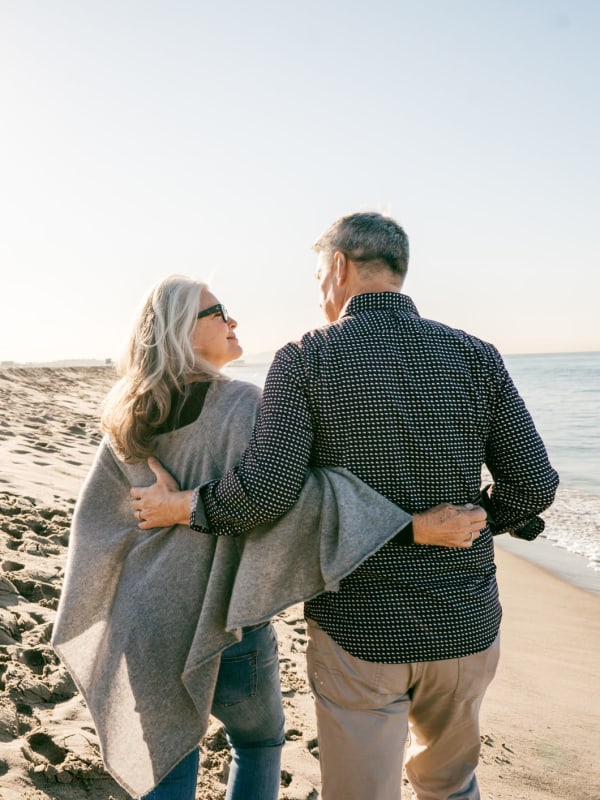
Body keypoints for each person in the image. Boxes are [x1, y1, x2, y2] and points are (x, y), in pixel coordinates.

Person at [132, 212, 559, 800]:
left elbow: (265, 495)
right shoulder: (475, 354)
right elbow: (535, 485)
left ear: (338, 267)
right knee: (452, 787)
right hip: (466, 622)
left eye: (317, 276)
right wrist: (484, 516)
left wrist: (185, 505)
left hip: (361, 627)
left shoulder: (307, 357)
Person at [53, 271, 477, 800]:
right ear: (184, 330)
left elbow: (97, 523)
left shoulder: (128, 412)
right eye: (218, 312)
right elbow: (297, 503)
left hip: (145, 623)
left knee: (167, 756)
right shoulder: (244, 406)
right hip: (227, 622)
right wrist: (411, 525)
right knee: (257, 742)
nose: (233, 320)